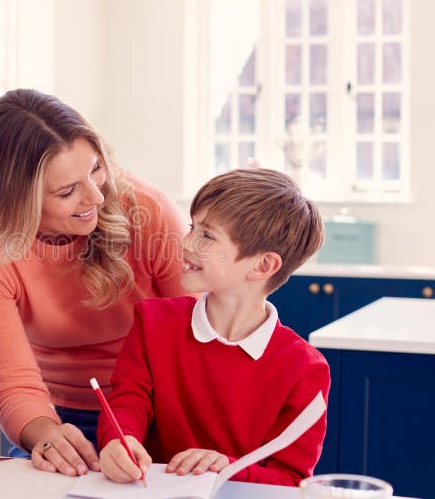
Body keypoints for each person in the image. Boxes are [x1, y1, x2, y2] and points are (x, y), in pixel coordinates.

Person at [0, 89, 187, 477]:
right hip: (58, 417)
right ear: (19, 200)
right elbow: (12, 380)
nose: (96, 196)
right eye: (67, 191)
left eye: (96, 169)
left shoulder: (147, 211)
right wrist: (47, 436)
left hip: (158, 409)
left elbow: (198, 338)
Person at [97, 168, 330, 486]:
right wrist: (119, 439)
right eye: (193, 226)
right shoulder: (153, 322)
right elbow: (128, 401)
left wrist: (227, 468)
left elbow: (290, 479)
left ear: (263, 265)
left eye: (207, 235)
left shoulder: (305, 369)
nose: (186, 242)